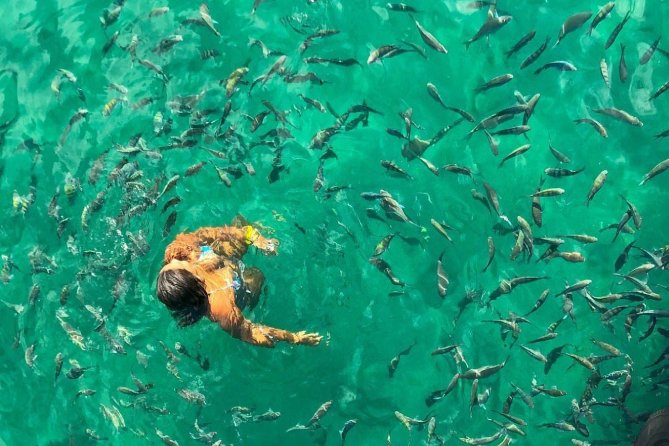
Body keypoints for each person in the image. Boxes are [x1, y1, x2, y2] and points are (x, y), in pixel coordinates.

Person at [156, 216, 322, 348]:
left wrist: (252, 237)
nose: (177, 259)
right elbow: (253, 333)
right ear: (196, 280)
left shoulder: (175, 255)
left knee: (240, 223)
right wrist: (294, 338)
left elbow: (203, 234)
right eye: (182, 264)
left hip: (223, 261)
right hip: (238, 289)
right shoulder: (222, 310)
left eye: (173, 264)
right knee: (257, 274)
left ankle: (258, 231)